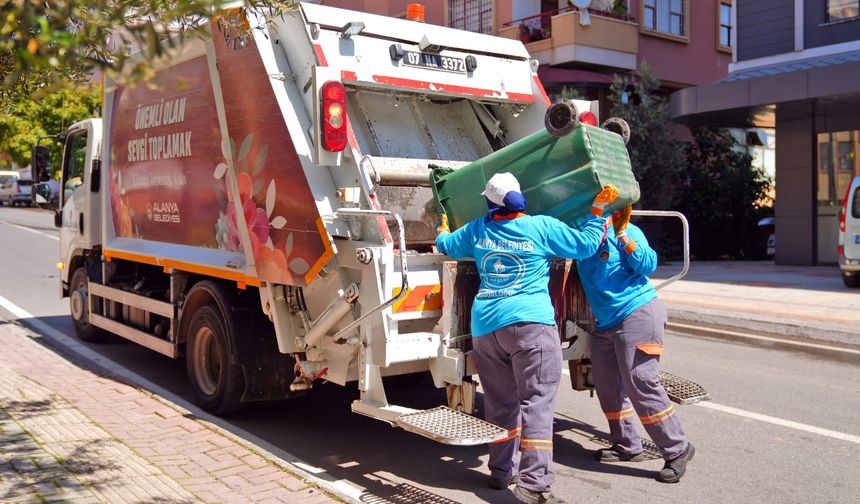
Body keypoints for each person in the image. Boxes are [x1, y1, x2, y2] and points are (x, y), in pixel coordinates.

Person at [435, 172, 618, 504]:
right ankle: (534, 483)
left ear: (489, 203)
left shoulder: (478, 229)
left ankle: (501, 471)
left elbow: (445, 245)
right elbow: (586, 245)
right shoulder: (540, 227)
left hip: (487, 329)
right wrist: (597, 213)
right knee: (536, 403)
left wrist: (442, 226)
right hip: (530, 326)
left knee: (501, 403)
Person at [575, 204, 695, 483]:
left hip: (637, 313)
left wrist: (624, 238)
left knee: (641, 381)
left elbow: (649, 264)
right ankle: (627, 444)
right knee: (607, 385)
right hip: (605, 324)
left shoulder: (625, 230)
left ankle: (677, 448)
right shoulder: (583, 234)